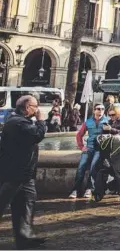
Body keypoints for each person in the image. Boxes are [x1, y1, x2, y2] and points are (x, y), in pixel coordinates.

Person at [0, 95, 47, 250]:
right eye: (35, 106)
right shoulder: (17, 122)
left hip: (24, 174)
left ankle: (24, 236)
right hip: (15, 174)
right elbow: (37, 135)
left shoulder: (18, 121)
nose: (37, 109)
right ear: (27, 107)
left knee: (26, 203)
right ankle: (24, 235)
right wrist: (41, 121)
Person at [68, 103, 107, 199]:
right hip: (89, 147)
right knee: (81, 167)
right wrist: (82, 147)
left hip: (100, 149)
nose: (100, 110)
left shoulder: (107, 121)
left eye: (102, 109)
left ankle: (89, 189)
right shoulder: (88, 121)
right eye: (98, 109)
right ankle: (76, 189)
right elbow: (79, 135)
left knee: (94, 166)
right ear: (94, 110)